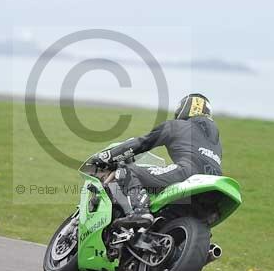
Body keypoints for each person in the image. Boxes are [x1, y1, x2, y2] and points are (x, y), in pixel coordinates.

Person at [93, 93, 222, 227]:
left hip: (187, 174)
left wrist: (107, 156)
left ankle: (140, 212)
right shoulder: (216, 142)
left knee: (127, 171)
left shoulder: (176, 126)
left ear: (183, 109)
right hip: (213, 188)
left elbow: (141, 144)